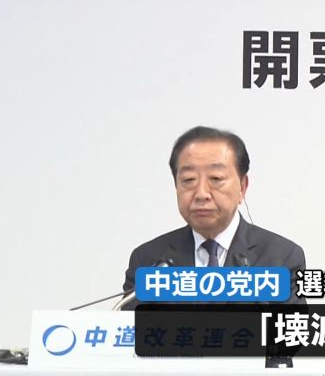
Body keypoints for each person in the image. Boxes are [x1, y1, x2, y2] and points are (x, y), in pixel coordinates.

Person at [122, 126, 305, 304]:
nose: (201, 193)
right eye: (188, 180)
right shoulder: (149, 260)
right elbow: (130, 323)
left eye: (216, 179)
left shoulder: (281, 258)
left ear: (242, 187)